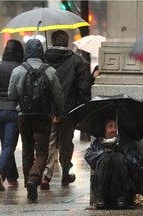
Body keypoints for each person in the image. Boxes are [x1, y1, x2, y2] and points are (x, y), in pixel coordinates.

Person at [8, 39, 64, 201]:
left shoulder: (18, 70)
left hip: (23, 116)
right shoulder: (50, 71)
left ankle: (28, 184)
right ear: (41, 53)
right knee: (41, 152)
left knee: (27, 150)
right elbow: (58, 96)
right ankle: (34, 179)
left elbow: (12, 95)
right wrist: (58, 112)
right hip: (43, 117)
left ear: (26, 52)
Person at [41, 30, 92, 190]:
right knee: (66, 143)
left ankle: (46, 176)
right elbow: (83, 88)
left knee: (49, 142)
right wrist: (85, 107)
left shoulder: (43, 60)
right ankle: (65, 172)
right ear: (67, 42)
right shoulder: (77, 61)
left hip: (47, 110)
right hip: (69, 110)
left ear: (52, 41)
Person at [0, 39, 24, 191]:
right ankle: (0, 171)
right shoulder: (20, 68)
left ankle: (12, 178)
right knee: (9, 145)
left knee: (6, 146)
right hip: (13, 111)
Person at [84, 118, 142, 209]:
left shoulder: (128, 143)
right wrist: (104, 151)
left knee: (118, 157)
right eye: (110, 127)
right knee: (105, 157)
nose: (113, 130)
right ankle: (101, 199)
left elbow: (136, 165)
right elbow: (89, 157)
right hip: (101, 189)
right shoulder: (97, 143)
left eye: (115, 127)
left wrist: (123, 153)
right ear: (105, 129)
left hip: (124, 188)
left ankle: (120, 199)